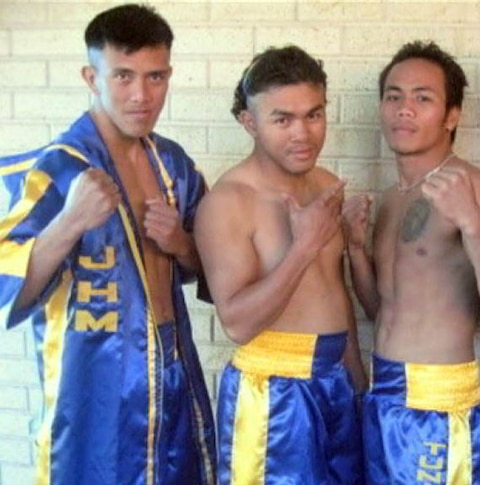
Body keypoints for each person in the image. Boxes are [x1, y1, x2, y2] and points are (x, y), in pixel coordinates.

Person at [0, 4, 216, 484]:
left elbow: (216, 267)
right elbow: (6, 286)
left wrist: (180, 243)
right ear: (91, 76)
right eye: (123, 75)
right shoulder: (54, 169)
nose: (141, 95)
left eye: (155, 77)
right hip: (94, 388)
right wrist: (69, 223)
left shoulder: (175, 165)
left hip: (173, 372)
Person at [342, 40, 480, 484]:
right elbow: (382, 311)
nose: (404, 109)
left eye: (422, 98)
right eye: (394, 96)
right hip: (385, 388)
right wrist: (354, 250)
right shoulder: (392, 198)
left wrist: (473, 222)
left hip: (438, 399)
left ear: (452, 115)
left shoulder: (468, 187)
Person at [194, 46, 366, 484]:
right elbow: (236, 322)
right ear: (249, 123)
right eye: (282, 119)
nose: (302, 133)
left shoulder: (327, 185)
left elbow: (334, 286)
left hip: (335, 380)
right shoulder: (228, 203)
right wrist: (304, 246)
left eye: (313, 114)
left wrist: (356, 372)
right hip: (272, 390)